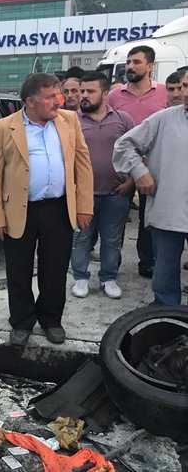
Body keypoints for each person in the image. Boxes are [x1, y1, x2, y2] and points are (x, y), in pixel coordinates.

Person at [0, 73, 93, 346]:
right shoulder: (1, 128)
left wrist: (84, 206)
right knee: (18, 271)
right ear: (30, 102)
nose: (59, 101)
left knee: (54, 270)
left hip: (58, 208)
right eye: (51, 97)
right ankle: (21, 321)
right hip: (20, 210)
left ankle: (51, 319)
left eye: (59, 94)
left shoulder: (69, 122)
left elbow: (83, 165)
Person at [113, 72, 188, 306]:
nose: (184, 93)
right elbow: (124, 145)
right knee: (165, 273)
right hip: (169, 207)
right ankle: (166, 319)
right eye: (183, 86)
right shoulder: (164, 119)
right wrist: (139, 172)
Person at [70, 72, 135, 299]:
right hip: (83, 196)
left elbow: (135, 152)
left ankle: (108, 277)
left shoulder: (123, 120)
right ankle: (80, 277)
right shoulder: (71, 121)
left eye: (90, 91)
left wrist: (131, 181)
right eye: (82, 91)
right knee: (81, 238)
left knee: (112, 239)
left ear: (105, 93)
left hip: (115, 194)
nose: (84, 96)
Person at [108, 45, 169, 279]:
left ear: (150, 66)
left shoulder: (164, 93)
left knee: (149, 217)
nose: (130, 66)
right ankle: (111, 264)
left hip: (154, 169)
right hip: (122, 167)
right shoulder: (115, 96)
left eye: (136, 62)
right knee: (116, 217)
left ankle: (148, 261)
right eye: (128, 62)